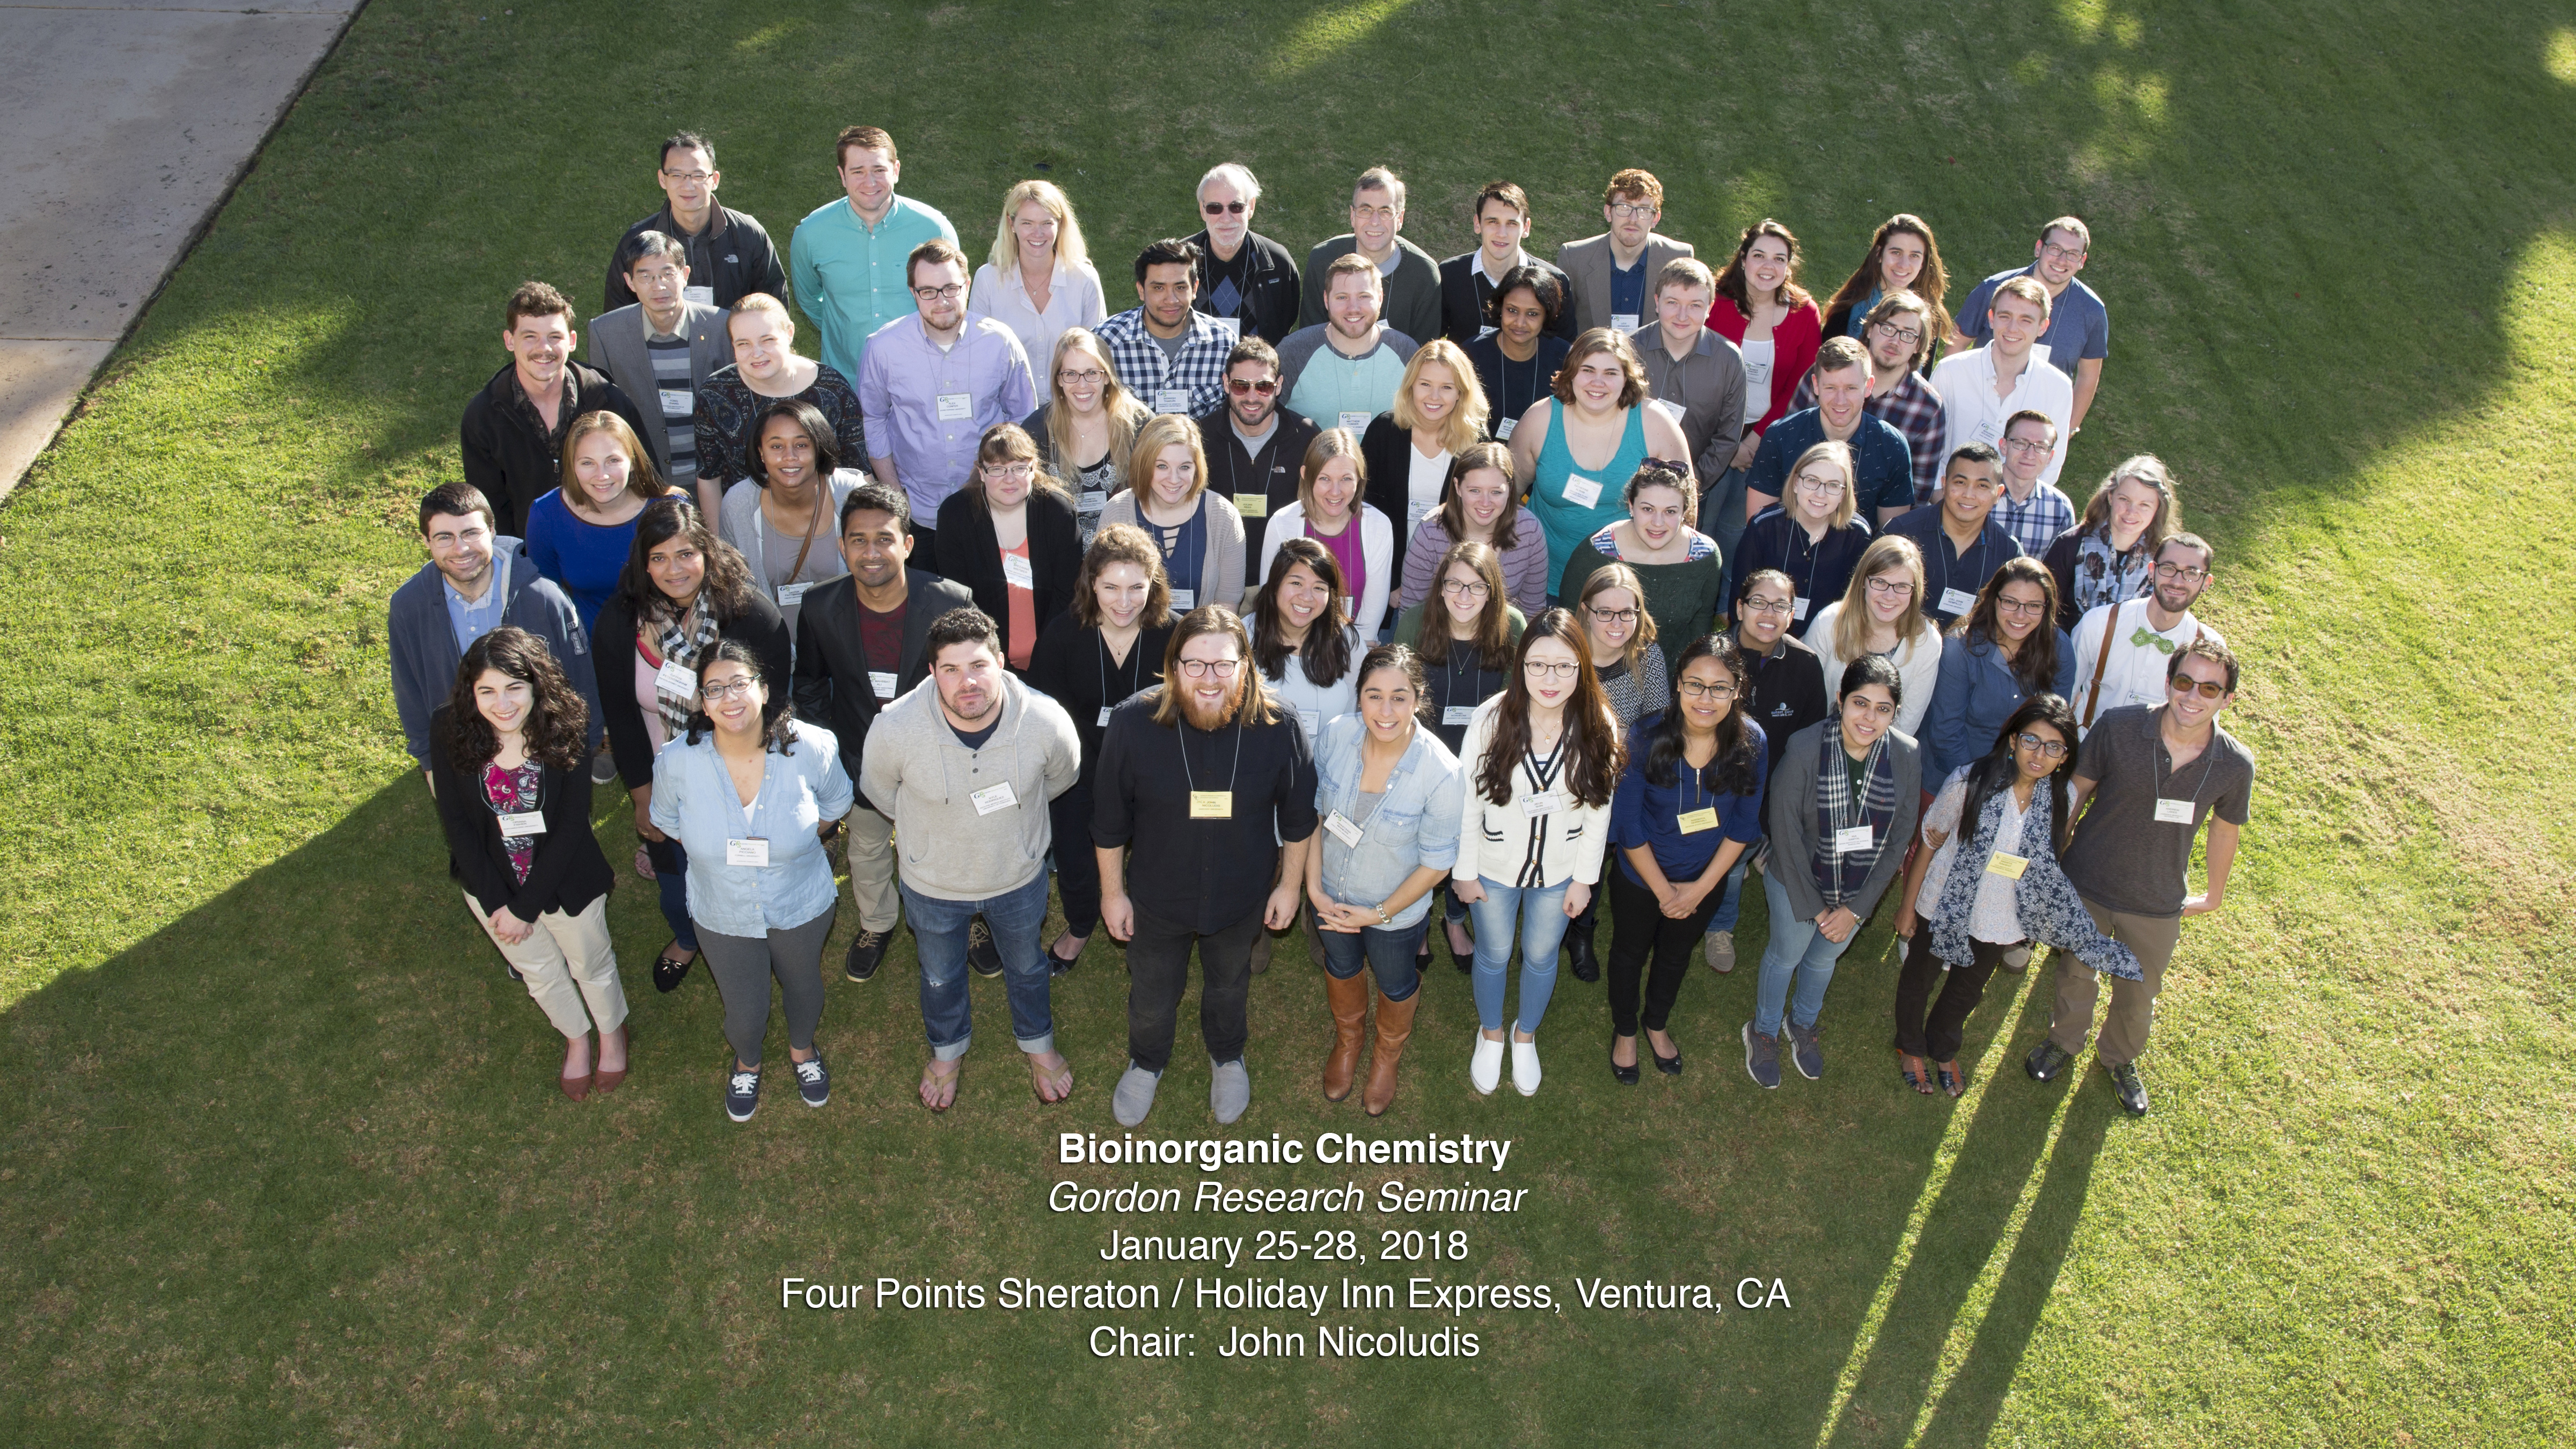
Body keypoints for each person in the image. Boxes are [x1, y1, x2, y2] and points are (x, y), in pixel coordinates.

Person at [1095, 606, 1318, 1127]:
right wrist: (1112, 894)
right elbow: (1108, 823)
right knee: (1152, 994)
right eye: (1194, 665)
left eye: (1223, 665)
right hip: (1157, 897)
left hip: (1242, 896)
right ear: (1173, 667)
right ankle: (1147, 1060)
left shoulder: (1279, 726)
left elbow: (1300, 817)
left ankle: (1227, 1055)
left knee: (1229, 985)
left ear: (1246, 665)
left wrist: (1289, 887)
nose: (1210, 679)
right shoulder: (1133, 723)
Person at [860, 606, 1081, 1111]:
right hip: (932, 884)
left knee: (1027, 966)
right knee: (939, 976)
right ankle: (947, 1050)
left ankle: (1038, 1043)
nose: (967, 683)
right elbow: (881, 792)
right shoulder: (894, 728)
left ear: (1002, 661)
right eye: (951, 670)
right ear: (932, 673)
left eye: (979, 665)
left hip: (1017, 877)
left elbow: (1059, 780)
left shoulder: (1047, 722)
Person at [2028, 638, 2253, 1116]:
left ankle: (2120, 1059)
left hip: (2157, 900)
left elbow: (2224, 832)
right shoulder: (2119, 726)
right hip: (2088, 882)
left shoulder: (2234, 764)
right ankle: (2064, 1044)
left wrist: (2213, 895)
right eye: (2185, 682)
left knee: (2139, 992)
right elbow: (2076, 794)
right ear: (2169, 682)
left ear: (2227, 700)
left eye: (2210, 689)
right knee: (2075, 975)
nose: (2193, 697)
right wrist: (2050, 858)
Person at [1894, 695, 2140, 1095]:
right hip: (1943, 904)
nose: (2039, 755)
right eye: (2030, 740)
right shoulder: (1968, 781)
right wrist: (1908, 906)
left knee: (1967, 989)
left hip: (2001, 917)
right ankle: (1911, 1045)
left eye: (2053, 747)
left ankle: (1943, 1046)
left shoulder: (2064, 799)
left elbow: (2046, 861)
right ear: (2012, 741)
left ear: (2065, 757)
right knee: (1919, 977)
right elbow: (1930, 840)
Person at [650, 641, 854, 1123]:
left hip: (800, 900)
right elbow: (668, 821)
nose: (729, 698)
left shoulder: (813, 746)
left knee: (803, 984)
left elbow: (835, 806)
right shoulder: (676, 761)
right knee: (744, 1009)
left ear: (764, 690)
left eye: (740, 683)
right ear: (701, 703)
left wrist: (795, 843)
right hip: (721, 909)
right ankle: (748, 1061)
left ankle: (802, 1050)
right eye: (715, 689)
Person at [595, 500, 793, 993]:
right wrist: (643, 795)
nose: (674, 569)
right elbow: (620, 714)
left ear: (707, 551)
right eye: (659, 558)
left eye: (685, 554)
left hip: (741, 775)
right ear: (643, 563)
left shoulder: (751, 616)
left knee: (745, 863)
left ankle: (758, 933)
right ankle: (687, 935)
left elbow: (775, 708)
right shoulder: (620, 623)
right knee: (674, 875)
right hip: (665, 776)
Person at [429, 628, 628, 1099]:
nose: (503, 704)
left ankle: (611, 1034)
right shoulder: (448, 727)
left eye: (515, 688)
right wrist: (501, 902)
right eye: (488, 691)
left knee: (591, 963)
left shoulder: (567, 723)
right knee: (539, 972)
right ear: (470, 691)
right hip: (491, 888)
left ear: (537, 686)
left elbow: (572, 826)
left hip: (567, 879)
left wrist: (527, 908)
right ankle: (577, 1039)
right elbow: (456, 825)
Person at [792, 483, 976, 983]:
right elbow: (808, 685)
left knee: (952, 840)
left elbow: (971, 684)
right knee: (868, 847)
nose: (871, 553)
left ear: (908, 544)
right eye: (858, 540)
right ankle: (876, 922)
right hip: (857, 754)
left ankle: (972, 918)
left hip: (936, 754)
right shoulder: (818, 606)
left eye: (883, 539)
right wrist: (834, 750)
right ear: (842, 545)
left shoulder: (950, 601)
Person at [1453, 610, 1622, 1097]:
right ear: (1521, 664)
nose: (1551, 679)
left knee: (1542, 954)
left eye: (1566, 667)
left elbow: (1598, 811)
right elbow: (1467, 802)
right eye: (1538, 665)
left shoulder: (1598, 724)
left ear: (1583, 668)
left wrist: (1584, 879)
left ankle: (1524, 1036)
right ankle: (1490, 1034)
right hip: (1493, 866)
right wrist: (1464, 873)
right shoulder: (1490, 719)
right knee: (1494, 953)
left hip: (1560, 872)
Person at [1745, 655, 1922, 1088]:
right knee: (1786, 957)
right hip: (1798, 880)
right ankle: (1764, 1030)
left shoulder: (1906, 753)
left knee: (1824, 959)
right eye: (1861, 703)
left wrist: (1856, 910)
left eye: (1883, 709)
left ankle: (1802, 1023)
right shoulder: (1806, 747)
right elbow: (1784, 833)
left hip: (1856, 886)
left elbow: (1900, 837)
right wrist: (1818, 908)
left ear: (1895, 712)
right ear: (1840, 699)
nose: (1870, 718)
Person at [1307, 644, 1463, 1114]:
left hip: (1395, 914)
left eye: (1400, 696)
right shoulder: (1336, 737)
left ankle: (1387, 1054)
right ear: (1359, 698)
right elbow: (1314, 819)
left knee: (1396, 984)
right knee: (1342, 967)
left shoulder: (1441, 772)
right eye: (1374, 696)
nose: (1386, 710)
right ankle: (1350, 1040)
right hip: (1331, 897)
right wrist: (1314, 891)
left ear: (1418, 699)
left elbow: (1437, 865)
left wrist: (1377, 913)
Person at [1605, 633, 1766, 1082]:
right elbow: (1629, 826)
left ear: (1737, 690)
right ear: (1677, 684)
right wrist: (1663, 891)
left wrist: (1696, 891)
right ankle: (1625, 1031)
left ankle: (1655, 1023)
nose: (1706, 698)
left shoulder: (1752, 742)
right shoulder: (1645, 736)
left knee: (1675, 957)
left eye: (1720, 687)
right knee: (1629, 954)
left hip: (1704, 882)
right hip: (1641, 880)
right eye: (1695, 684)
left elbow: (1743, 827)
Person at [1029, 525, 1176, 973]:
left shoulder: (1172, 634)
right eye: (1111, 587)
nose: (1124, 601)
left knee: (1159, 851)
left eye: (1137, 587)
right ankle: (1079, 923)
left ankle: (1151, 922)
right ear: (1091, 583)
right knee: (1075, 854)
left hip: (1153, 767)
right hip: (1077, 767)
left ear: (1153, 586)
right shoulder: (1062, 634)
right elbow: (1045, 714)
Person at [390, 482, 598, 792]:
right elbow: (409, 689)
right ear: (426, 541)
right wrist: (431, 763)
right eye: (444, 537)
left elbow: (580, 682)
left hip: (543, 754)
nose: (461, 549)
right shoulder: (409, 607)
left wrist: (584, 750)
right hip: (461, 759)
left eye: (471, 533)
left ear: (492, 531)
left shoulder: (543, 598)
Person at [857, 239, 1038, 559]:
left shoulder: (1000, 343)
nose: (941, 301)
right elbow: (873, 419)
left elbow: (1024, 418)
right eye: (928, 291)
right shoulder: (883, 348)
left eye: (951, 288)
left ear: (967, 286)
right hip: (919, 515)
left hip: (991, 508)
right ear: (913, 293)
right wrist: (896, 496)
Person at [1392, 540, 1524, 970]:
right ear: (1440, 586)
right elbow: (1398, 691)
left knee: (1468, 842)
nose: (1464, 597)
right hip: (1423, 754)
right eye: (1454, 585)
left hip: (1485, 758)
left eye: (1476, 587)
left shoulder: (1514, 627)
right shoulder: (1415, 621)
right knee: (1417, 842)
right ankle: (1417, 923)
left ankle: (1453, 918)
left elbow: (1516, 700)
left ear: (1493, 592)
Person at [1702, 567, 1828, 973]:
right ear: (1739, 607)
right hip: (1713, 785)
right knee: (1720, 859)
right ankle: (1716, 914)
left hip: (1771, 790)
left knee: (1735, 861)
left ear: (1793, 614)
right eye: (1758, 602)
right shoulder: (1710, 656)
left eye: (1780, 605)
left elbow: (1810, 742)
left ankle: (1721, 926)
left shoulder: (1806, 665)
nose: (1768, 614)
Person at [1508, 328, 1692, 600]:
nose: (1598, 382)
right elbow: (1507, 497)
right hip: (1545, 578)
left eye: (1611, 373)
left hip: (1627, 583)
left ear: (1627, 378)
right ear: (1571, 373)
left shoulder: (1654, 422)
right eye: (1588, 370)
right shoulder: (1539, 420)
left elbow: (1686, 505)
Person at [460, 282, 650, 537]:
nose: (544, 349)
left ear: (572, 341)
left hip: (613, 551)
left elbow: (646, 482)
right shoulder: (484, 417)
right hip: (529, 563)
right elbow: (491, 513)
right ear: (509, 340)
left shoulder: (609, 402)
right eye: (530, 337)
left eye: (554, 337)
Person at [789, 125, 960, 381]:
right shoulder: (810, 234)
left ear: (896, 170)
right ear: (842, 175)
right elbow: (808, 298)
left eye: (879, 170)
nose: (870, 182)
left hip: (924, 375)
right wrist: (843, 331)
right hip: (847, 379)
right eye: (858, 172)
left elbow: (954, 296)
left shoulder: (935, 228)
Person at [1704, 220, 1824, 555]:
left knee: (1739, 529)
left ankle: (1731, 604)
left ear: (1789, 266)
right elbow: (1702, 373)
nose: (1768, 267)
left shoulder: (1804, 313)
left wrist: (1756, 438)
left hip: (1767, 438)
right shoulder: (1716, 302)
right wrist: (1730, 441)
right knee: (1702, 520)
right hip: (1713, 432)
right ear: (1743, 260)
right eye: (1759, 256)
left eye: (1779, 259)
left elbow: (1801, 385)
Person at [692, 294, 868, 518]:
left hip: (824, 523)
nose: (756, 353)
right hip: (747, 525)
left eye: (767, 340)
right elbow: (709, 478)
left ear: (790, 333)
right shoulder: (715, 395)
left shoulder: (833, 389)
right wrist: (719, 547)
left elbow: (859, 471)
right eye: (743, 344)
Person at [524, 412, 692, 639]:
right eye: (587, 463)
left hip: (672, 647)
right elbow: (545, 598)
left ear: (633, 461)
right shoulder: (547, 515)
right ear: (572, 466)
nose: (601, 475)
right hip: (593, 652)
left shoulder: (671, 508)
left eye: (613, 461)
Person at [590, 230, 729, 497]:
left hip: (717, 480)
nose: (659, 286)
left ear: (685, 274)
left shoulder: (723, 326)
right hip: (644, 483)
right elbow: (603, 416)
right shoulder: (605, 333)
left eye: (668, 273)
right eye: (645, 276)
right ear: (630, 282)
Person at [935, 423, 1082, 674]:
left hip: (1055, 655)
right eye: (997, 469)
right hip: (983, 659)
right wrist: (990, 656)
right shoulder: (955, 515)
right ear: (981, 472)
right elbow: (959, 597)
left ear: (1034, 469)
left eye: (1019, 468)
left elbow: (1068, 594)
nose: (1010, 479)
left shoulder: (1058, 512)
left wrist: (1045, 656)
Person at [718, 399, 867, 638]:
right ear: (761, 452)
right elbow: (733, 590)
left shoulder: (849, 494)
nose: (790, 457)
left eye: (801, 445)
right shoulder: (739, 503)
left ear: (818, 448)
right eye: (776, 447)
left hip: (845, 648)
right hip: (772, 652)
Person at [1924, 557, 2077, 784]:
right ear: (1993, 600)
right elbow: (1946, 734)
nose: (2020, 615)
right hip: (1956, 778)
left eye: (2033, 606)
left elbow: (2053, 729)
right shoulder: (1959, 648)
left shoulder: (2060, 648)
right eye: (2010, 602)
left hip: (2023, 781)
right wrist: (1980, 788)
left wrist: (2021, 785)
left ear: (2046, 608)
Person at [1560, 460, 1727, 662]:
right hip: (1601, 672)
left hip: (1676, 675)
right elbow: (1570, 621)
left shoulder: (1705, 556)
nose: (1658, 523)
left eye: (1670, 512)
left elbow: (1701, 624)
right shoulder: (1596, 552)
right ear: (1631, 505)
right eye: (1648, 509)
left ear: (1685, 511)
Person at [601, 131, 786, 314]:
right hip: (661, 344)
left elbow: (774, 308)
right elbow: (618, 315)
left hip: (734, 343)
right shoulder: (637, 240)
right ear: (662, 179)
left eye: (698, 176)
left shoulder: (748, 234)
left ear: (714, 180)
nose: (688, 186)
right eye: (677, 175)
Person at [1791, 290, 1948, 506]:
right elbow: (1788, 441)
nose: (1895, 341)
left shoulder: (1928, 408)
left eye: (1908, 335)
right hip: (1806, 502)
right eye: (1888, 328)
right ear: (1871, 329)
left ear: (1919, 346)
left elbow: (1917, 494)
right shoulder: (1827, 373)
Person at [1745, 336, 1916, 529]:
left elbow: (1891, 537)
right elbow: (1757, 526)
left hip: (1859, 556)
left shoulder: (1891, 446)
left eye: (1851, 388)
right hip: (1782, 554)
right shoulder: (1781, 436)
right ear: (1816, 385)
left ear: (1868, 386)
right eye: (1831, 388)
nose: (1840, 400)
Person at [1957, 217, 2107, 431]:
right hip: (1976, 411)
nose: (2062, 260)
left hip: (2037, 430)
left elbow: (2088, 377)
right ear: (2039, 248)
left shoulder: (2092, 311)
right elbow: (1956, 343)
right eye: (2055, 249)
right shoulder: (1993, 289)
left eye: (2073, 254)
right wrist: (1954, 398)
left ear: (2082, 261)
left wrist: (2067, 429)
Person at [1359, 338, 1489, 584]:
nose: (1434, 396)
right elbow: (1365, 509)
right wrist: (1391, 583)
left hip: (1453, 579)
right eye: (1425, 384)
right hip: (1386, 573)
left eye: (1447, 387)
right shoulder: (1384, 431)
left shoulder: (1476, 440)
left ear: (1462, 393)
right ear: (1411, 386)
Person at [2068, 533, 2224, 733]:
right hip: (2087, 749)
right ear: (2152, 571)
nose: (2177, 581)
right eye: (2168, 568)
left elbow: (2205, 725)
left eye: (2191, 573)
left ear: (2206, 583)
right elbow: (2063, 697)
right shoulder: (2099, 623)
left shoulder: (2210, 647)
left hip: (2158, 762)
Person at [1931, 276, 2075, 488]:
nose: (2012, 328)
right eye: (2005, 316)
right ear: (1991, 318)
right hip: (1946, 501)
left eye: (2026, 320)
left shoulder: (2058, 388)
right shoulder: (1951, 371)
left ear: (2043, 327)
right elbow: (1928, 447)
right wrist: (1941, 500)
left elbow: (2050, 467)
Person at [1099, 413, 1249, 614]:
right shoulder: (1117, 511)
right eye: (1162, 466)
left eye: (1184, 467)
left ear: (1197, 468)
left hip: (1201, 640)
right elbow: (1105, 593)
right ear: (1144, 464)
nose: (1174, 479)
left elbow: (1228, 605)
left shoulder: (1223, 516)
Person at [1199, 337, 1320, 586]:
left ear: (1278, 386)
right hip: (1216, 580)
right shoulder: (1200, 437)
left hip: (1285, 581)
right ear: (1225, 384)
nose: (1252, 397)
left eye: (1263, 386)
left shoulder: (1306, 437)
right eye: (1241, 386)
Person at [1725, 441, 1875, 633]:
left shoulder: (1858, 535)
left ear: (1843, 493)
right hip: (1765, 633)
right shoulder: (1763, 527)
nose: (1820, 494)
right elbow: (1740, 597)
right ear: (1796, 483)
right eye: (1812, 481)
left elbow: (1858, 604)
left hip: (1828, 638)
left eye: (1833, 485)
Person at [1258, 430, 1395, 638]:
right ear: (1306, 475)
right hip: (1291, 646)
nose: (1335, 491)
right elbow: (1271, 600)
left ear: (1360, 477)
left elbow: (1371, 616)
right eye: (1325, 479)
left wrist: (1350, 650)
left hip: (1354, 649)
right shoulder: (1282, 524)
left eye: (1346, 479)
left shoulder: (1378, 526)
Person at [1805, 533, 1943, 737]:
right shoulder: (1828, 623)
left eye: (1902, 587)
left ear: (1915, 590)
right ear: (1863, 581)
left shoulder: (1927, 642)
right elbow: (1807, 705)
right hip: (1819, 743)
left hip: (1883, 756)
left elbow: (1907, 724)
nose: (1890, 596)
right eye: (1880, 582)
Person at [1027, 327, 1150, 546]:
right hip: (1058, 553)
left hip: (1126, 551)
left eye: (1092, 373)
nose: (1082, 385)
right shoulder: (1037, 431)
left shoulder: (1138, 423)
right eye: (1071, 374)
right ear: (1059, 380)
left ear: (1107, 376)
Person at [1634, 258, 1748, 493]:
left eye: (1695, 305)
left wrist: (1688, 487)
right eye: (1673, 303)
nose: (1682, 316)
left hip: (1695, 488)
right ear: (1657, 302)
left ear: (1710, 308)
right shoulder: (1628, 351)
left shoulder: (1729, 361)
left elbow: (1727, 438)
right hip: (1628, 486)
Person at [1294, 166, 1441, 346]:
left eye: (1385, 211)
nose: (1374, 221)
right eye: (1366, 210)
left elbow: (1424, 357)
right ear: (1352, 216)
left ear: (1400, 218)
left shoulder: (1424, 274)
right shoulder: (1323, 260)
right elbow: (1310, 340)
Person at [966, 178, 1108, 365]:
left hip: (1072, 394)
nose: (1038, 233)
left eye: (1046, 223)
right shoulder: (988, 279)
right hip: (1007, 395)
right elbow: (977, 355)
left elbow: (1097, 357)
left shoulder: (1085, 279)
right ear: (1011, 224)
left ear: (1060, 224)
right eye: (1027, 223)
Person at [1396, 443, 1548, 617]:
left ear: (1511, 489)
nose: (1485, 502)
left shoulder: (1529, 530)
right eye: (1475, 491)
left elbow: (1532, 611)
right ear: (1458, 487)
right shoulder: (1430, 533)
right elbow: (1411, 613)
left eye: (1496, 492)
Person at [1277, 255, 1421, 436]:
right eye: (1342, 297)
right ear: (1326, 300)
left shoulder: (1407, 352)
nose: (1353, 308)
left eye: (1364, 296)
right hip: (1311, 465)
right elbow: (1267, 419)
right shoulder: (1294, 351)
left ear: (1380, 298)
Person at [1093, 237, 1236, 419]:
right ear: (1141, 290)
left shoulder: (1224, 343)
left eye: (1180, 287)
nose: (1171, 300)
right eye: (1159, 288)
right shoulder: (1105, 342)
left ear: (1194, 289)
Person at [1886, 443, 2025, 629]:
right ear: (1944, 485)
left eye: (1982, 486)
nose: (1969, 495)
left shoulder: (2009, 552)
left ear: (1998, 494)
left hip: (1971, 653)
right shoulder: (1901, 533)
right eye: (1960, 482)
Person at [2041, 455, 2178, 628]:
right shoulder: (2069, 546)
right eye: (2125, 499)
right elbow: (2042, 612)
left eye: (2144, 505)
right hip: (2067, 651)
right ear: (2111, 496)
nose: (2131, 512)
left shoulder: (2165, 561)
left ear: (2159, 508)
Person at [1251, 536, 1363, 746]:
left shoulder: (1347, 641)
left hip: (1329, 766)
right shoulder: (1242, 638)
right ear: (1275, 585)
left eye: (1319, 588)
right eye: (1296, 583)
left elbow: (1358, 717)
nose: (1307, 597)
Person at [1556, 169, 1696, 337]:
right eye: (1624, 207)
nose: (1633, 219)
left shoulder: (1678, 258)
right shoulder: (1575, 258)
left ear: (1656, 218)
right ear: (1608, 212)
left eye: (1644, 210)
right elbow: (1560, 331)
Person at [1438, 181, 1578, 347]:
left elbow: (1566, 352)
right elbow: (1431, 341)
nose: (1502, 233)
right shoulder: (1449, 275)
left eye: (1512, 223)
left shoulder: (1555, 281)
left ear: (1526, 228)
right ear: (1477, 224)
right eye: (1493, 222)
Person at [1187, 162, 1301, 343]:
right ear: (1202, 210)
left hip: (1256, 369)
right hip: (1196, 369)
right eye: (1215, 208)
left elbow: (1285, 321)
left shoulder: (1277, 263)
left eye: (1236, 207)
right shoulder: (1179, 260)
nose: (1226, 218)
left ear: (1251, 207)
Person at [1463, 266, 1575, 445]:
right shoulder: (1471, 354)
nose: (1520, 323)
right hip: (1480, 459)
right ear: (1501, 308)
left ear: (1546, 315)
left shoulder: (1565, 358)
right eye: (1512, 311)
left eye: (1532, 314)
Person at [1818, 214, 1956, 356]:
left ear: (1923, 263)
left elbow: (1923, 374)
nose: (1904, 265)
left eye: (1914, 256)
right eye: (1896, 252)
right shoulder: (1848, 305)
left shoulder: (1929, 316)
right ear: (1879, 254)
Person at [1990, 408, 2079, 557]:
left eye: (2041, 447)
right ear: (2004, 446)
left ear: (2050, 457)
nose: (2030, 455)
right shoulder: (1977, 494)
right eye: (2021, 443)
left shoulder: (2060, 509)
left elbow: (2057, 572)